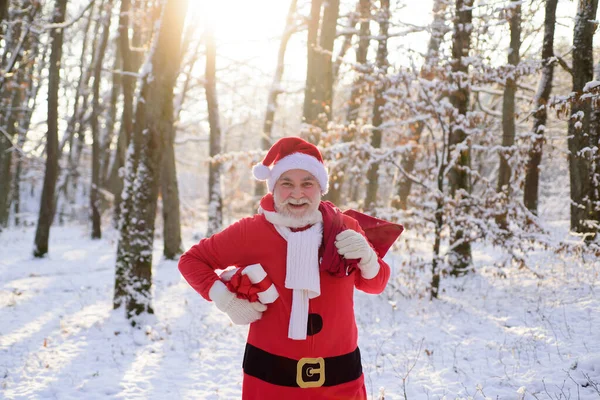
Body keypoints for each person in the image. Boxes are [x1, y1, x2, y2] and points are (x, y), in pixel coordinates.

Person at [178, 137, 398, 399]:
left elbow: (376, 284)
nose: (297, 193)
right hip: (270, 378)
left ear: (321, 188)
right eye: (286, 184)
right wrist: (226, 300)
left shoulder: (344, 228)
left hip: (341, 379)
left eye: (307, 183)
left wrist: (368, 258)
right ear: (273, 188)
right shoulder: (252, 231)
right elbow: (191, 261)